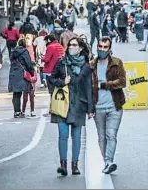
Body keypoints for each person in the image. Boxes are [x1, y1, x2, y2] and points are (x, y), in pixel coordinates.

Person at [50, 37, 94, 176]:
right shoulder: (62, 62)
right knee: (63, 135)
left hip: (79, 104)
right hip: (63, 103)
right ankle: (63, 164)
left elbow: (89, 88)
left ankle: (75, 165)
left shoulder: (86, 66)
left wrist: (90, 109)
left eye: (74, 45)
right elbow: (51, 78)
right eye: (69, 45)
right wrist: (62, 82)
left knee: (76, 136)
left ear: (81, 48)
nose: (70, 47)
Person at [91, 37, 126, 174]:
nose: (102, 49)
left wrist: (104, 85)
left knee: (111, 134)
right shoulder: (91, 65)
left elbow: (122, 82)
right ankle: (106, 162)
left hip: (114, 105)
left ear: (109, 49)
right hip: (98, 107)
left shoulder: (117, 63)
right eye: (100, 46)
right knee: (102, 137)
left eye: (105, 47)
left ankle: (109, 161)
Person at [8, 38, 35, 118]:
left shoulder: (13, 52)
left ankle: (16, 111)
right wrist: (32, 72)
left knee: (15, 94)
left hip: (13, 73)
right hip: (21, 73)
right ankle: (18, 111)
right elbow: (28, 63)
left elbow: (11, 61)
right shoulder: (25, 52)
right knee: (19, 92)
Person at [22, 34, 37, 117]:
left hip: (31, 83)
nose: (28, 41)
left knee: (31, 98)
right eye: (27, 39)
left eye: (29, 39)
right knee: (25, 98)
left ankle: (32, 111)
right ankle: (23, 111)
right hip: (26, 82)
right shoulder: (25, 49)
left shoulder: (32, 47)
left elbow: (35, 78)